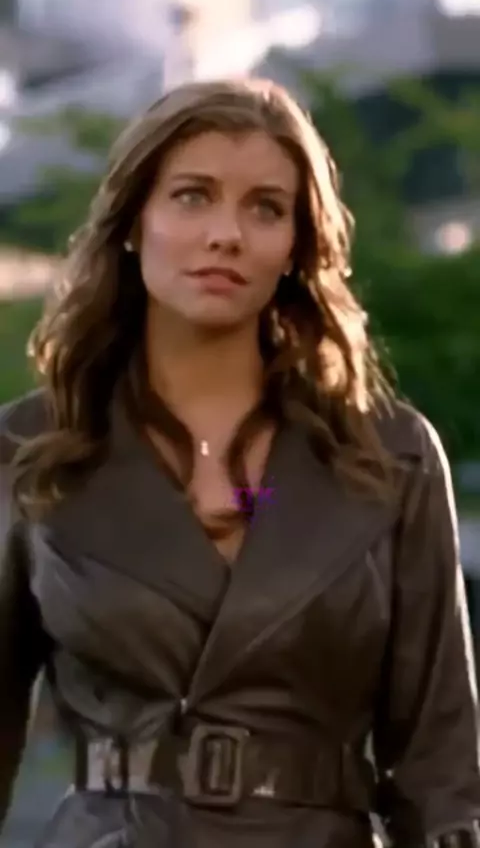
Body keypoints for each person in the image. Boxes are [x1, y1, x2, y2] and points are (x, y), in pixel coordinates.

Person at [0, 78, 479, 848]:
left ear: (296, 247)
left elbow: (441, 770)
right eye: (192, 196)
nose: (226, 234)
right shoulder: (30, 451)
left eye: (265, 208)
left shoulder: (389, 455)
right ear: (134, 222)